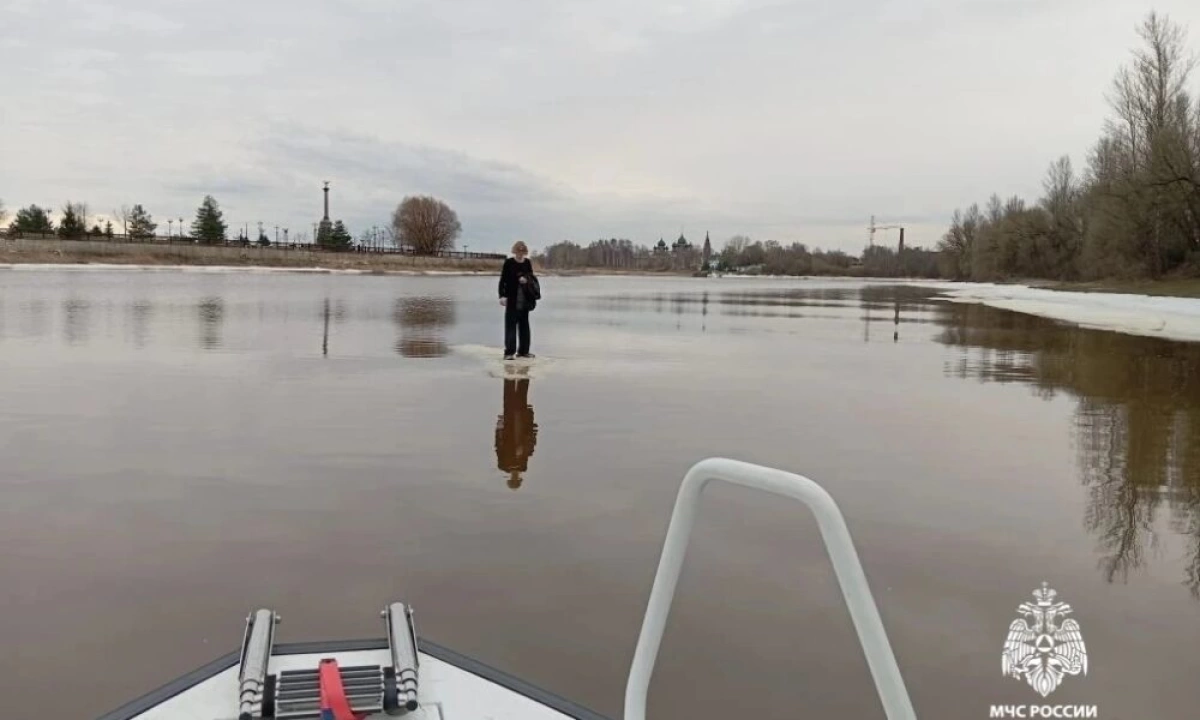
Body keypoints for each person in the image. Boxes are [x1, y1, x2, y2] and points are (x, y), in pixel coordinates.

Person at [498, 240, 538, 359]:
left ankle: (523, 351)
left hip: (525, 299)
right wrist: (502, 296)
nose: (520, 253)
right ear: (515, 251)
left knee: (524, 326)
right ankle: (509, 353)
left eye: (522, 251)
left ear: (525, 252)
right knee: (510, 326)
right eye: (518, 251)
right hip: (511, 298)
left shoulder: (527, 263)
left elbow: (532, 279)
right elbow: (503, 280)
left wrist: (526, 280)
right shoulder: (509, 263)